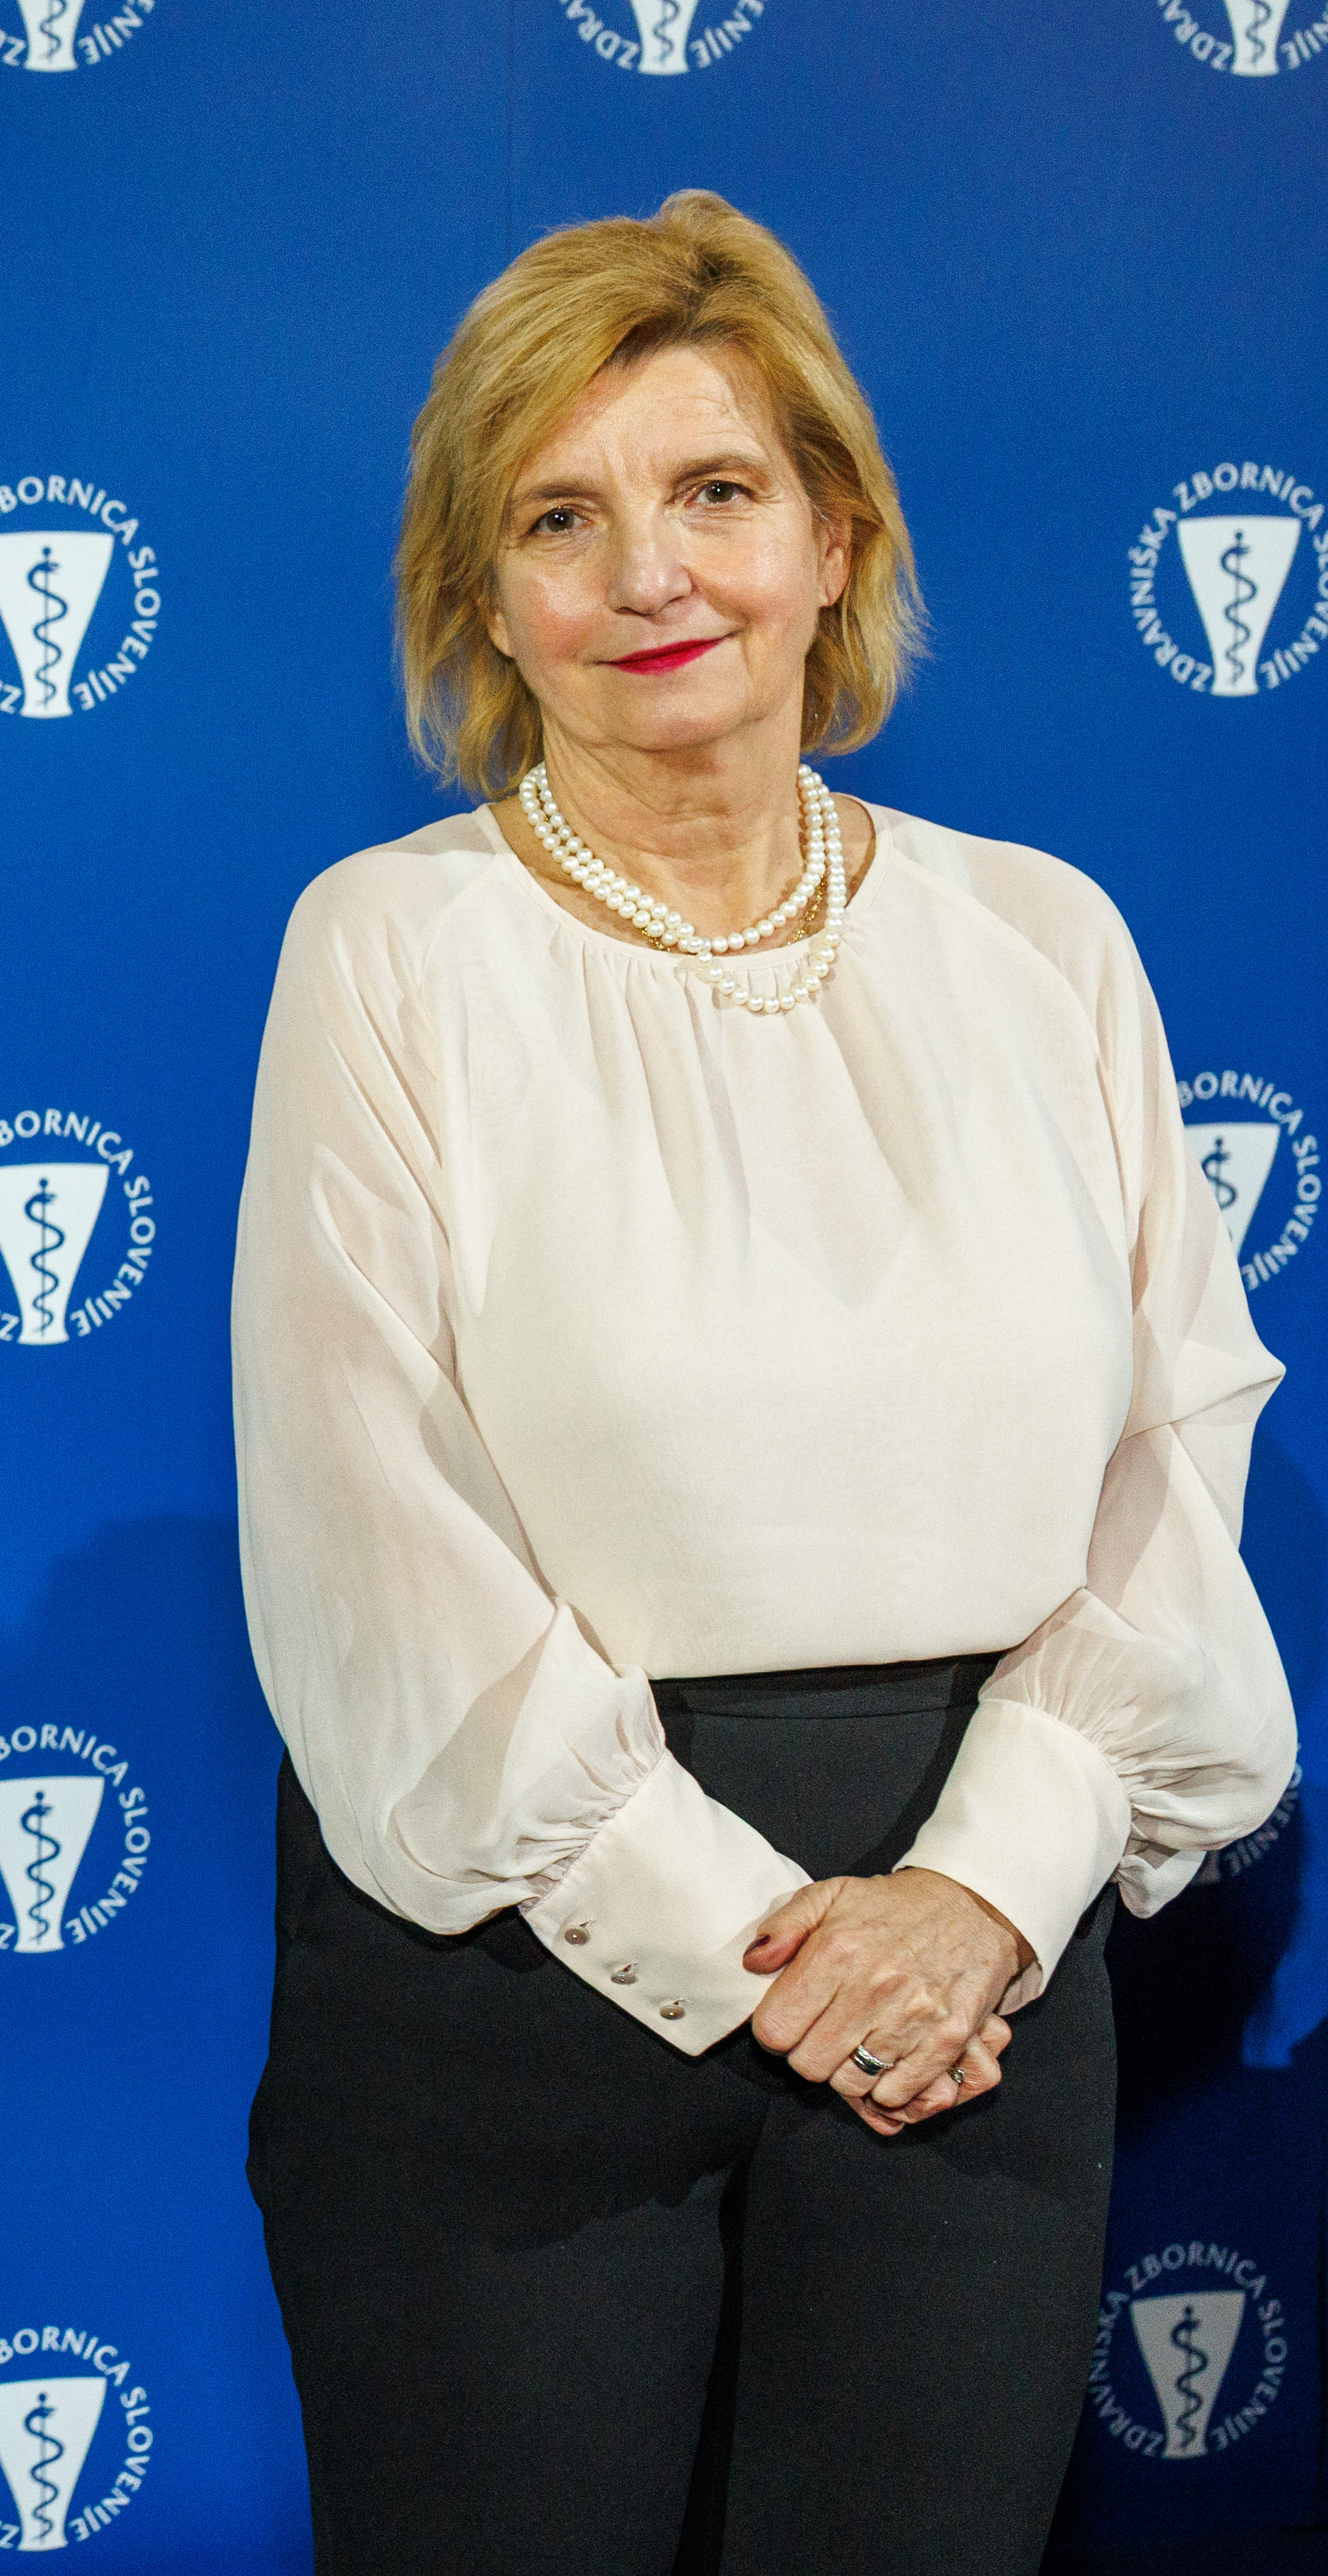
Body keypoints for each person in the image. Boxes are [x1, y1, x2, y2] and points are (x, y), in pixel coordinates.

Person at [232, 192, 1295, 2573]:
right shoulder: (390, 951)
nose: (648, 575)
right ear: (482, 594)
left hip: (979, 1956)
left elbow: (1172, 1456)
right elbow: (369, 1513)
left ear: (837, 535)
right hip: (518, 1982)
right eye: (559, 517)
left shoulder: (1042, 941)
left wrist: (976, 1895)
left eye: (713, 492)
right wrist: (765, 1946)